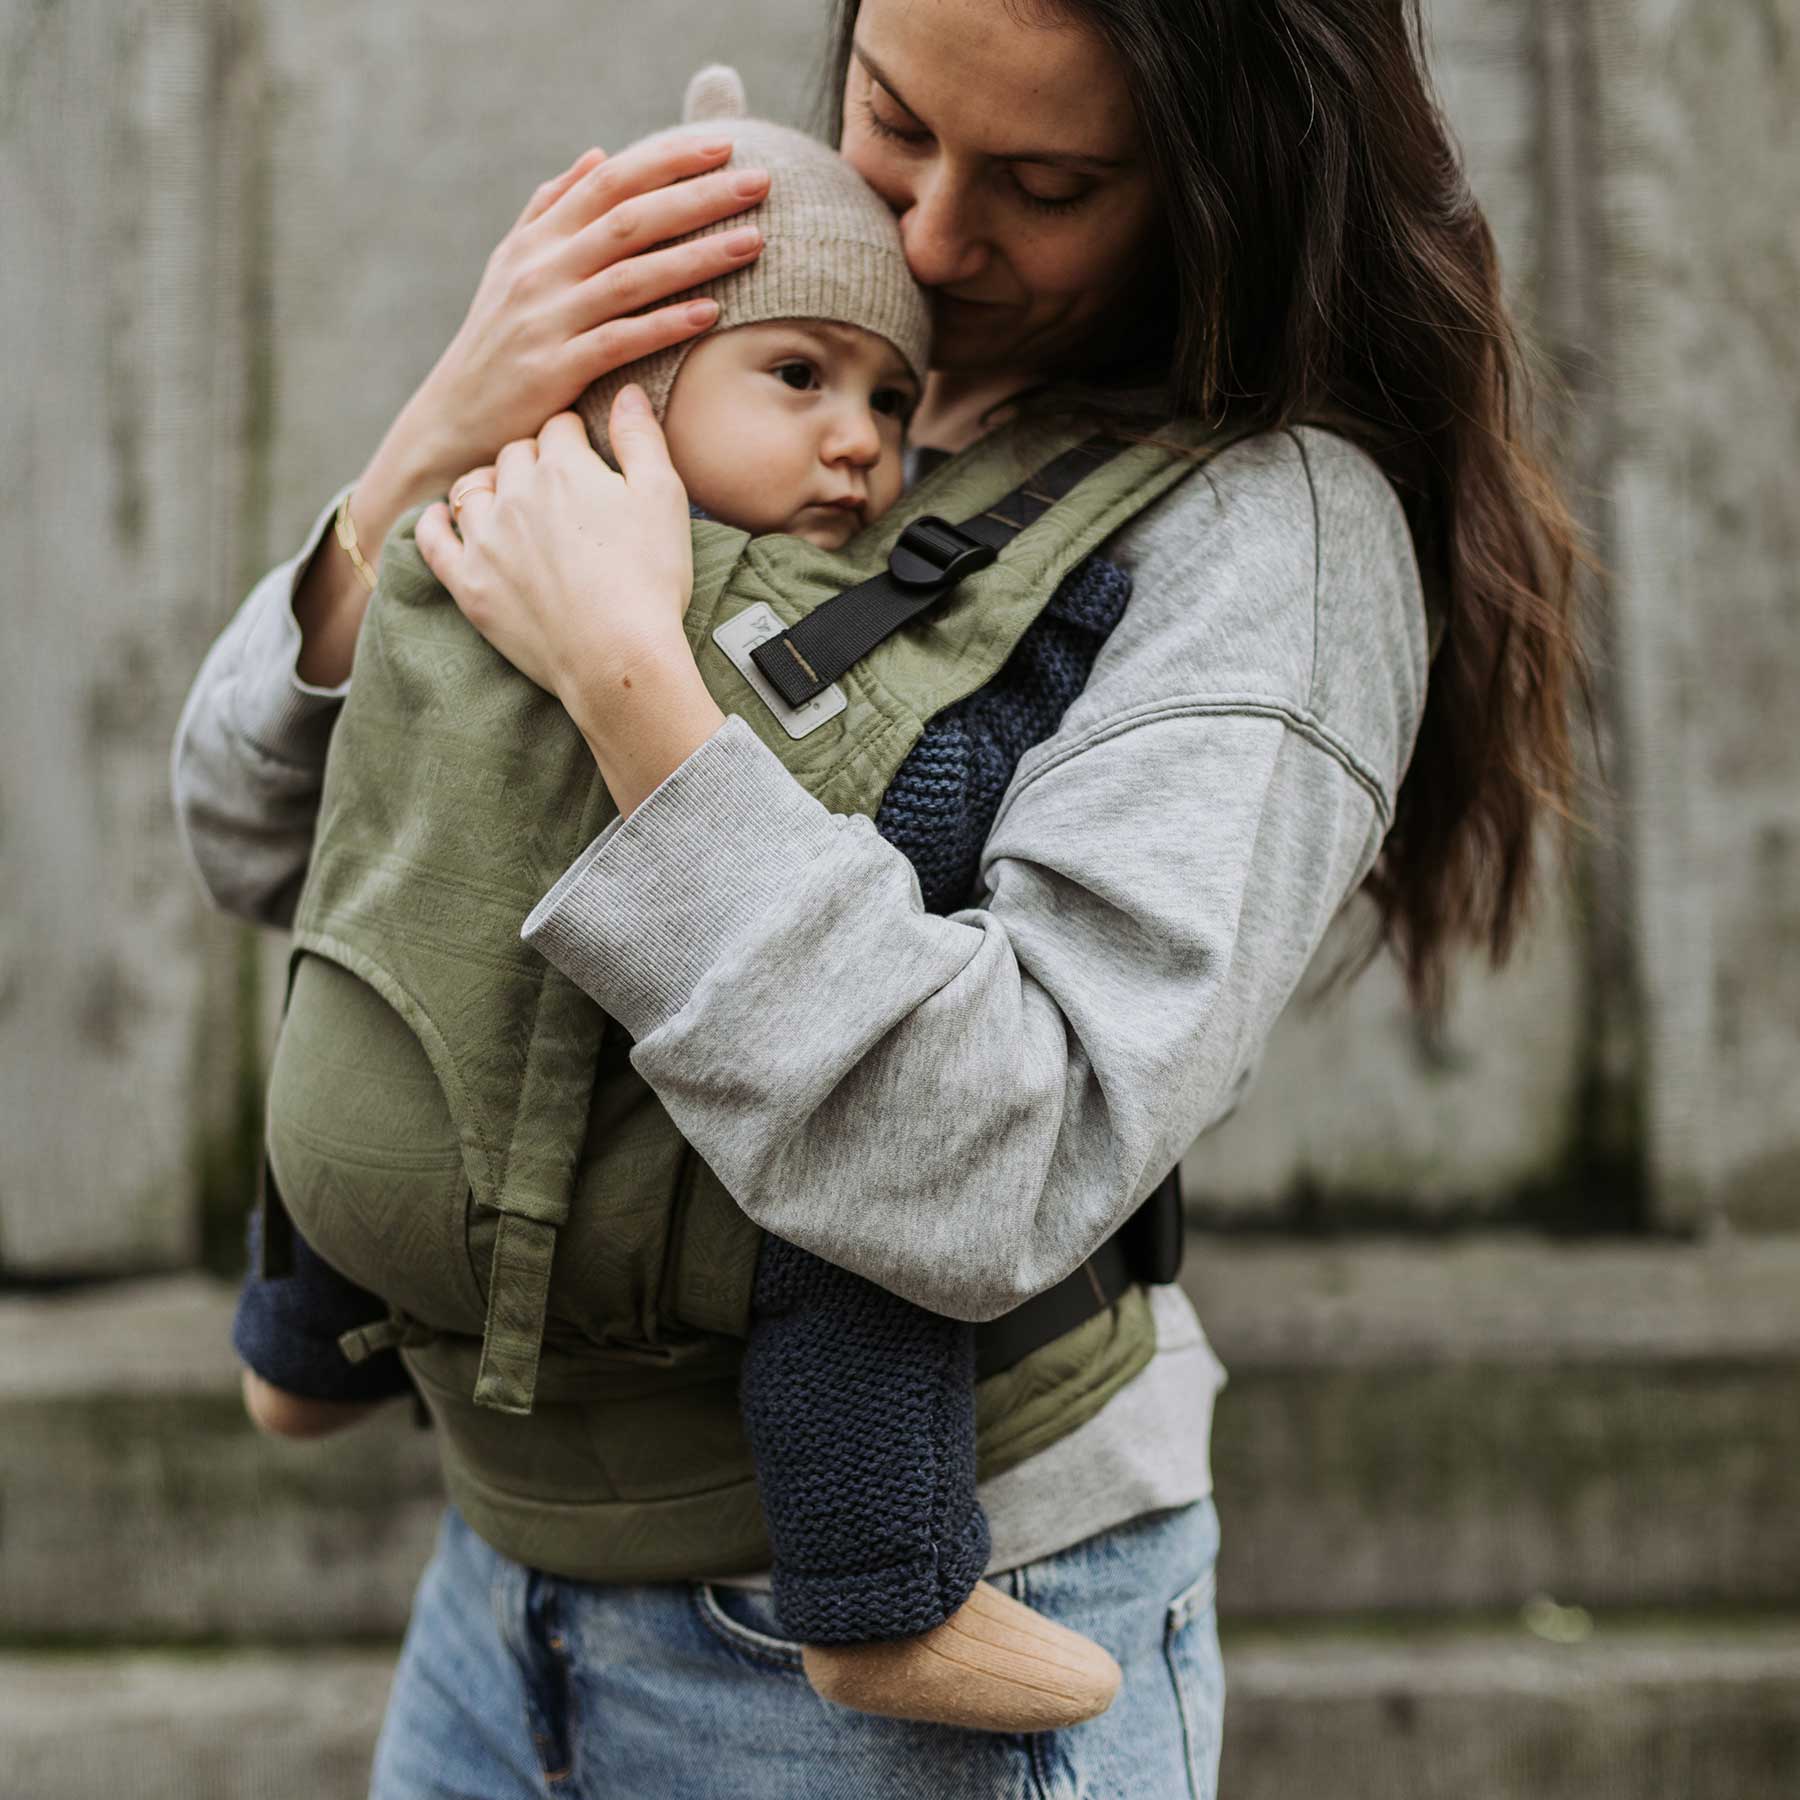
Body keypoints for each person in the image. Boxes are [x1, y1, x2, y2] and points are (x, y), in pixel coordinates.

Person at [171, 0, 1589, 1793]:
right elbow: (256, 846)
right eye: (893, 120)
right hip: (495, 1598)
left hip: (930, 1623)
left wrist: (635, 685)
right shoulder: (729, 323)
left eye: (1048, 183)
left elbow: (997, 1156)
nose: (928, 237)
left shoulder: (1268, 538)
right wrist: (427, 450)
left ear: (1223, 188)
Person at [230, 63, 1139, 1736]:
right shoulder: (732, 588)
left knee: (359, 980)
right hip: (550, 1170)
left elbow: (303, 823)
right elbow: (919, 792)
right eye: (796, 374)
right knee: (848, 1236)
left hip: (394, 1125)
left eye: (886, 399)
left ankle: (293, 1349)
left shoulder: (460, 522)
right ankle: (878, 1592)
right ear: (639, 382)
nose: (859, 440)